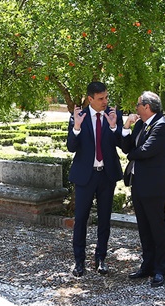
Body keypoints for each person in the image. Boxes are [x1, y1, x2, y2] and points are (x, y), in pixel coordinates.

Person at [66, 81, 124, 277]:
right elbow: (71, 147)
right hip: (85, 177)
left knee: (104, 220)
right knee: (81, 220)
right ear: (90, 99)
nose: (105, 102)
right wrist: (76, 128)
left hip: (106, 176)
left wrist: (115, 126)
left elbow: (123, 144)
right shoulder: (78, 117)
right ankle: (79, 261)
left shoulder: (114, 115)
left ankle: (101, 259)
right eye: (101, 99)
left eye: (106, 97)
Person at [120, 91, 165, 287]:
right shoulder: (141, 124)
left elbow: (145, 151)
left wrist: (132, 154)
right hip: (138, 183)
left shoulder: (162, 126)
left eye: (138, 104)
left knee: (157, 228)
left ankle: (161, 270)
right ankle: (147, 265)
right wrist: (126, 127)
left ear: (147, 107)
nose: (135, 108)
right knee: (144, 228)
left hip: (154, 186)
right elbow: (126, 147)